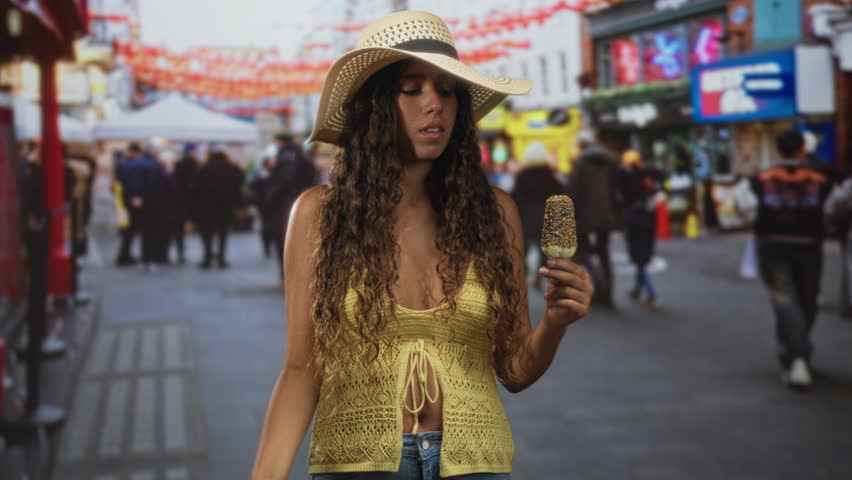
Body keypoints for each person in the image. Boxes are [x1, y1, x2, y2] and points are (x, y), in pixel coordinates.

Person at [251, 11, 593, 480]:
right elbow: (299, 369)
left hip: (475, 463)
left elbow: (514, 369)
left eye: (447, 90)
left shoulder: (493, 213)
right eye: (411, 89)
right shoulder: (319, 214)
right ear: (374, 106)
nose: (435, 104)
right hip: (358, 462)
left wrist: (555, 321)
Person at [743, 130, 832, 389]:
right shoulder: (822, 180)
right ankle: (799, 355)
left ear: (778, 149)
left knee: (786, 301)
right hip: (809, 247)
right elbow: (835, 207)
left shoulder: (759, 179)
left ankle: (795, 354)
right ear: (802, 149)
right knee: (806, 301)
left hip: (773, 247)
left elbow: (746, 208)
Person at [567, 130, 619, 307]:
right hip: (606, 214)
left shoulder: (580, 163)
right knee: (604, 254)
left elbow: (574, 191)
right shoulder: (610, 162)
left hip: (585, 215)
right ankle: (608, 293)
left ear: (582, 145)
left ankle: (599, 285)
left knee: (583, 252)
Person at [510, 142, 567, 289]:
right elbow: (560, 194)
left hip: (525, 217)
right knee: (544, 249)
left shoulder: (522, 175)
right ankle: (539, 277)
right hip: (546, 217)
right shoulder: (550, 175)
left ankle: (523, 272)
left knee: (523, 247)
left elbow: (516, 197)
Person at [262, 132, 317, 279]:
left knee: (284, 240)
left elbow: (281, 182)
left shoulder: (285, 158)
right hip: (301, 201)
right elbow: (312, 177)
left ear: (279, 142)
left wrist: (270, 196)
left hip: (285, 204)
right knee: (299, 240)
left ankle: (286, 275)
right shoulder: (302, 155)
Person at [618, 150, 660, 310]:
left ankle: (652, 295)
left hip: (634, 221)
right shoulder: (647, 175)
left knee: (639, 258)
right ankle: (637, 289)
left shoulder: (625, 177)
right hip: (648, 221)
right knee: (642, 257)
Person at [192, 148, 244, 269]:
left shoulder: (203, 169)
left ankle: (207, 257)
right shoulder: (231, 168)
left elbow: (195, 188)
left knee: (206, 233)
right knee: (223, 232)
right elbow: (240, 182)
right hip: (226, 206)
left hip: (206, 206)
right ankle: (221, 258)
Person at [173, 143, 200, 263]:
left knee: (179, 230)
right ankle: (207, 254)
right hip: (191, 201)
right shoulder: (195, 164)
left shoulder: (179, 164)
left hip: (180, 201)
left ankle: (180, 253)